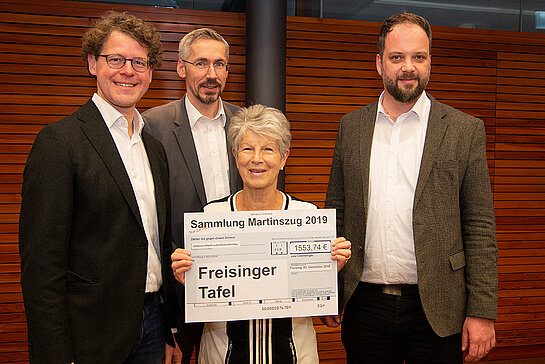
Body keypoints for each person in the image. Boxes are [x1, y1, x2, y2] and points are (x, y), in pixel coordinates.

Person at [324, 12, 497, 364]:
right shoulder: (351, 127)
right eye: (397, 57)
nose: (408, 67)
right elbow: (337, 212)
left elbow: (479, 227)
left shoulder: (464, 131)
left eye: (418, 57)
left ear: (430, 62)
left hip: (438, 308)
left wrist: (481, 312)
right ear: (379, 63)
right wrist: (329, 292)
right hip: (364, 304)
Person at [19, 12, 176, 364]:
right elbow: (42, 267)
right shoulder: (59, 142)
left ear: (150, 73)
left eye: (139, 62)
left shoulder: (154, 148)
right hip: (88, 336)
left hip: (151, 325)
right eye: (116, 59)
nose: (128, 71)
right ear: (93, 63)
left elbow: (154, 242)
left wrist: (168, 330)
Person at [170, 104, 351, 363]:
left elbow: (327, 306)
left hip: (295, 355)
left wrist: (332, 268)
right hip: (222, 355)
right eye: (247, 148)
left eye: (268, 149)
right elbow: (195, 302)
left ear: (284, 157)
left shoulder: (306, 216)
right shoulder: (210, 217)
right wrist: (185, 279)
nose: (257, 158)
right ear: (235, 155)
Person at [143, 28, 242, 363]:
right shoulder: (151, 126)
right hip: (178, 287)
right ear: (182, 68)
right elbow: (151, 217)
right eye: (201, 63)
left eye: (219, 64)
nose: (211, 74)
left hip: (240, 281)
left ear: (228, 70)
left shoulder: (247, 123)